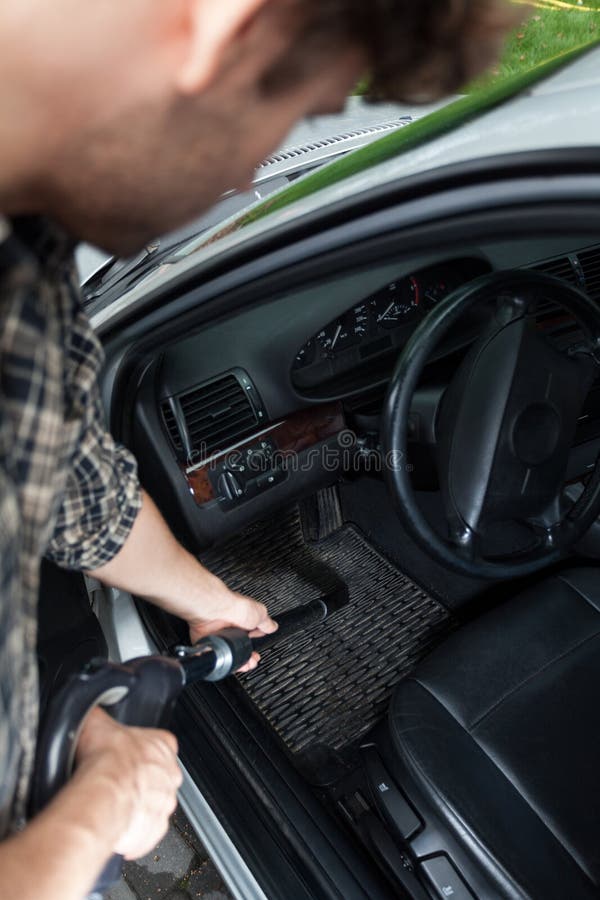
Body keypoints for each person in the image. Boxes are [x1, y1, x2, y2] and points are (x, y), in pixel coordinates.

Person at [0, 1, 516, 897]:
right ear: (215, 28)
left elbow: (75, 489)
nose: (248, 182)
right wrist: (95, 810)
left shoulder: (25, 270)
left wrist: (210, 601)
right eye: (272, 124)